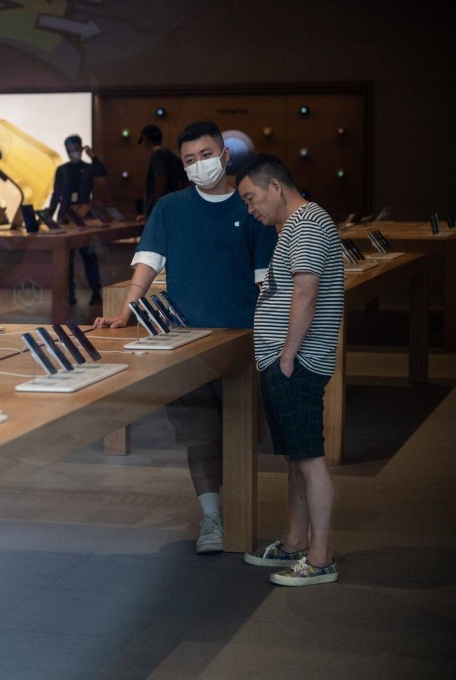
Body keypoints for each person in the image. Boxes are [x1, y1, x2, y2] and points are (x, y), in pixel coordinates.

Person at [93, 121, 278, 554]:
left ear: (225, 155)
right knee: (198, 435)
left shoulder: (249, 209)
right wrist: (125, 311)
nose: (200, 165)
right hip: (184, 342)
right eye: (191, 159)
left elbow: (266, 281)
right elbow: (147, 263)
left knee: (239, 434)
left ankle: (240, 512)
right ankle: (211, 516)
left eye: (207, 155)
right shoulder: (170, 208)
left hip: (240, 341)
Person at [236, 153, 344, 586]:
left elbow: (305, 292)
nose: (250, 209)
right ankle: (295, 542)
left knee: (310, 460)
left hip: (296, 362)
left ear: (275, 187)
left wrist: (286, 355)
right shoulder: (294, 227)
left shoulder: (307, 223)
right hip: (287, 361)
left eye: (251, 198)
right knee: (295, 459)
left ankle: (320, 559)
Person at [48, 134, 107, 306]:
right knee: (66, 259)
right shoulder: (62, 169)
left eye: (76, 148)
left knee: (89, 256)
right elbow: (56, 194)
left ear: (81, 148)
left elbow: (103, 171)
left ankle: (96, 292)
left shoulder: (88, 168)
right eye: (70, 149)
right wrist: (49, 217)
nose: (74, 152)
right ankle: (70, 293)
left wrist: (93, 155)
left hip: (83, 217)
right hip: (65, 218)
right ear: (66, 150)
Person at [138, 124, 188, 221]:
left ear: (145, 138)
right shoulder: (171, 155)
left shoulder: (156, 155)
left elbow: (161, 177)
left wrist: (157, 205)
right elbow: (186, 179)